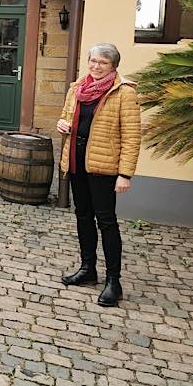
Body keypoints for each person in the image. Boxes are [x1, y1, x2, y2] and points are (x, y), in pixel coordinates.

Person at [56, 42, 141, 307]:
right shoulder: (77, 88)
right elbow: (68, 117)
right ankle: (88, 268)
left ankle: (113, 281)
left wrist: (125, 174)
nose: (96, 66)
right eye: (93, 61)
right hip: (77, 162)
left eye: (102, 63)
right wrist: (62, 125)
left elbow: (132, 136)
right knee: (83, 216)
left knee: (106, 221)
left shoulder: (124, 93)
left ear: (113, 66)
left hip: (105, 168)